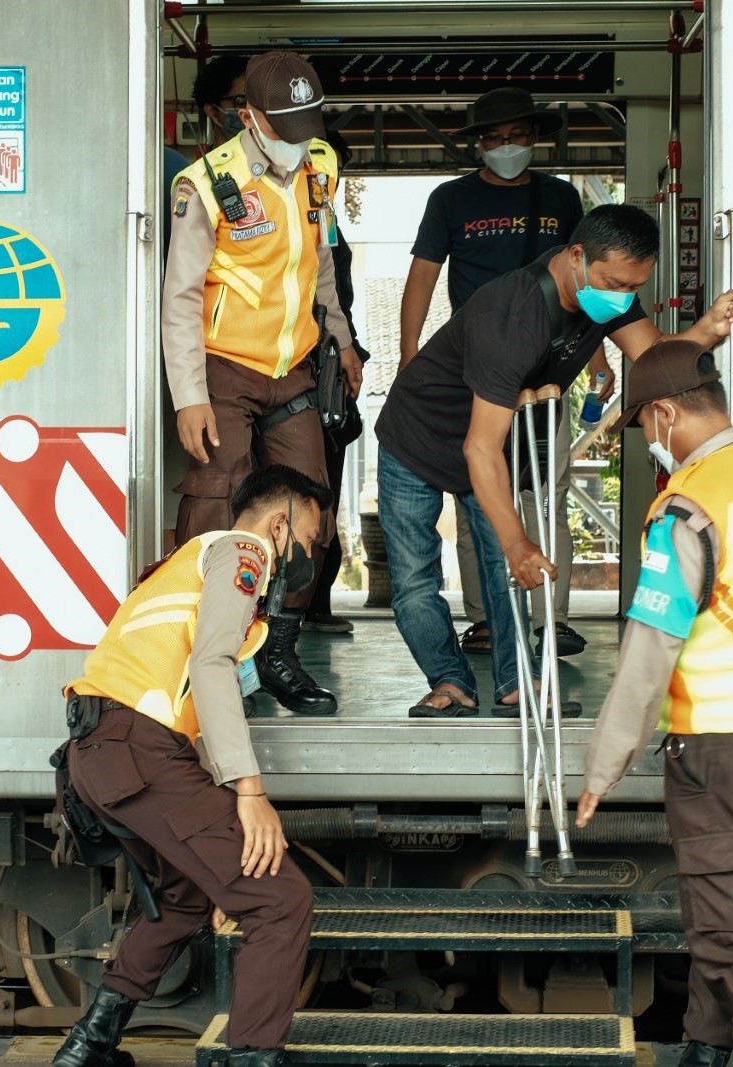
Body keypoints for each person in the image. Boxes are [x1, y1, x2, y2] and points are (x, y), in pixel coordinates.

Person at [375, 204, 733, 718]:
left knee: (500, 572)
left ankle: (517, 684)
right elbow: (478, 448)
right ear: (576, 256)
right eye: (614, 282)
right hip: (418, 438)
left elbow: (656, 357)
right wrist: (517, 541)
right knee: (418, 577)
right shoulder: (512, 317)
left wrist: (709, 327)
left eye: (633, 287)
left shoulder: (606, 294)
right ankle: (449, 682)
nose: (622, 297)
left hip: (495, 443)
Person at [574, 341, 733, 1067]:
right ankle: (706, 1046)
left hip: (722, 748)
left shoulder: (689, 508)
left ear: (664, 412)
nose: (649, 443)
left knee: (731, 934)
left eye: (645, 428)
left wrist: (604, 765)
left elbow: (650, 646)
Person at [53, 464, 326, 1067]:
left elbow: (185, 697)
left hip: (102, 753)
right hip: (136, 750)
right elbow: (212, 665)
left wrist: (222, 828)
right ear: (279, 524)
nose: (308, 554)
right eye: (308, 539)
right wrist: (250, 794)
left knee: (183, 898)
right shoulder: (245, 552)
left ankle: (88, 1045)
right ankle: (253, 1057)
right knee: (281, 901)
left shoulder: (189, 560)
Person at [164, 50, 362, 716]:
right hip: (225, 368)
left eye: (308, 124)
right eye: (285, 126)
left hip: (296, 369)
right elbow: (182, 295)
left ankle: (278, 651)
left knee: (312, 511)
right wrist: (190, 395)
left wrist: (342, 339)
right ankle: (209, 651)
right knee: (217, 504)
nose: (298, 140)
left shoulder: (322, 168)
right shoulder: (205, 184)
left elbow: (323, 262)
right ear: (248, 116)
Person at [399, 85, 588, 661]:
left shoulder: (561, 197)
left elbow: (589, 275)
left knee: (547, 492)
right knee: (473, 490)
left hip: (551, 363)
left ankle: (551, 620)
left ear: (536, 137)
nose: (509, 147)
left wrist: (597, 355)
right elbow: (423, 277)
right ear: (479, 143)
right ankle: (483, 619)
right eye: (497, 138)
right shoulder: (450, 199)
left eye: (519, 137)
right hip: (476, 365)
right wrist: (410, 361)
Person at [303, 129, 368, 635]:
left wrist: (346, 352)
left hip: (329, 365)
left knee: (325, 478)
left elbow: (334, 296)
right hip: (292, 362)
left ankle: (316, 598)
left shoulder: (326, 220)